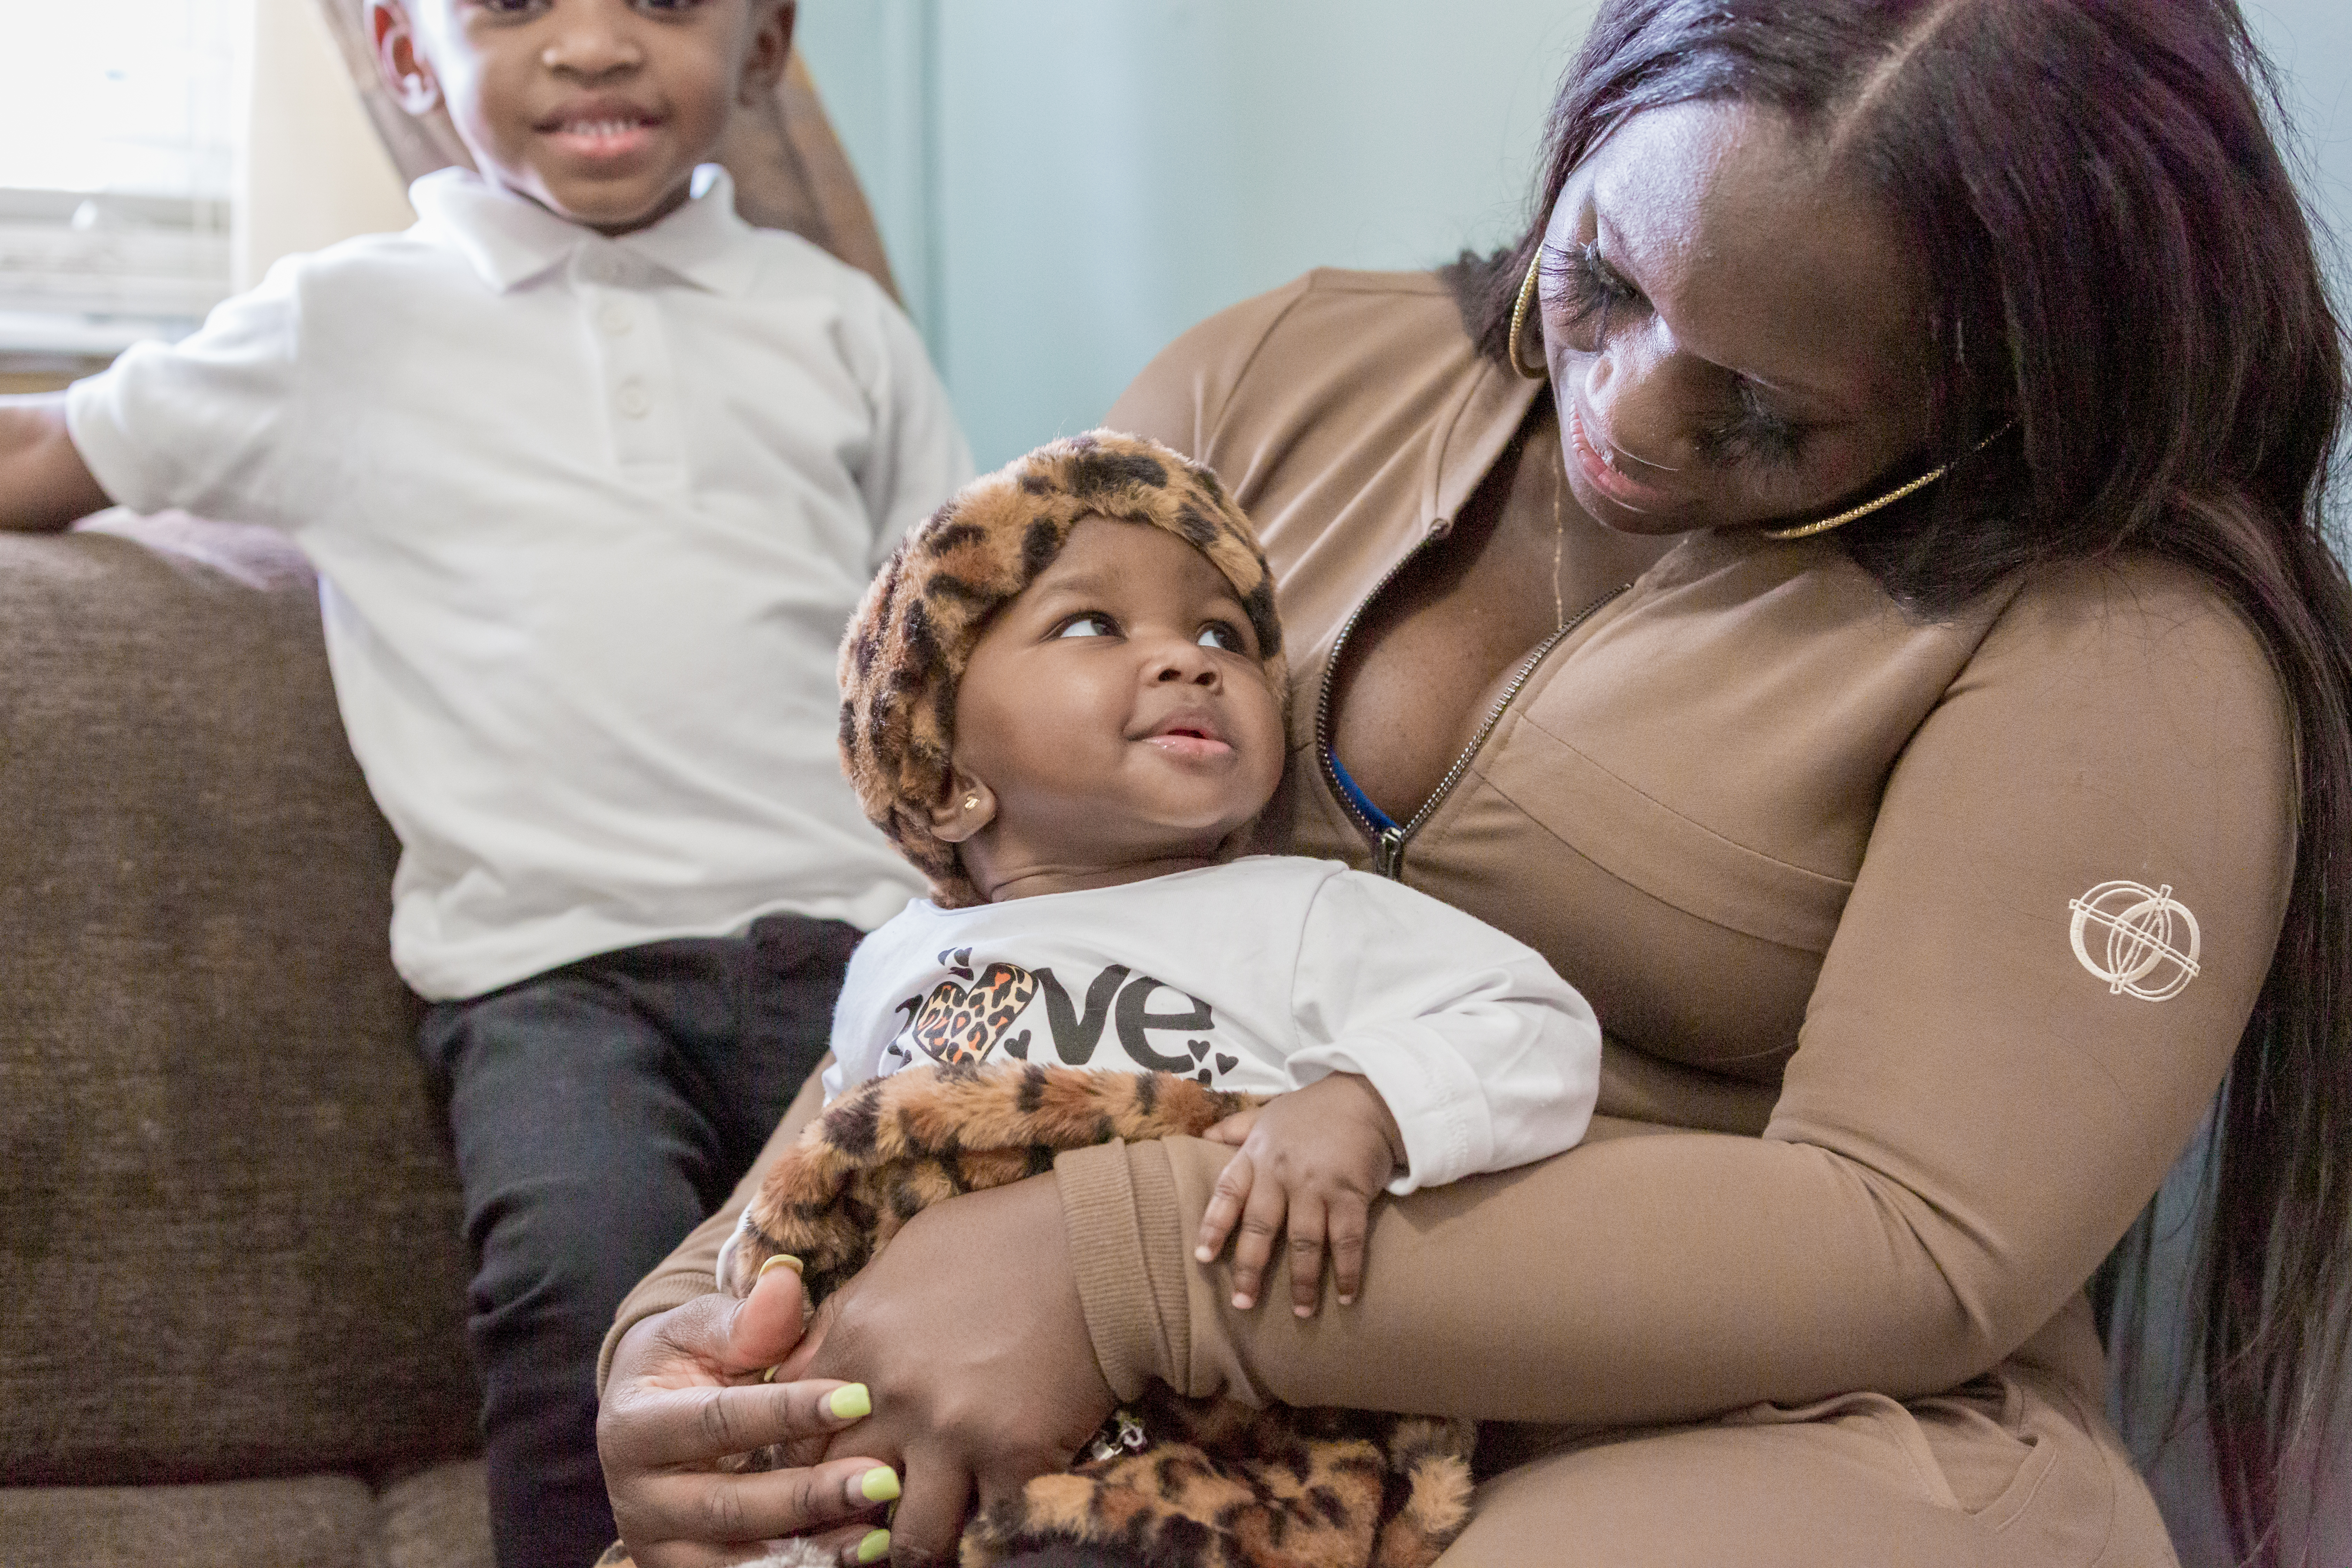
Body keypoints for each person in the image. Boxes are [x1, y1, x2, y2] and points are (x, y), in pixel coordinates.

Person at [593, 2, 2352, 1565]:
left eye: (1759, 414)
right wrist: (699, 1327)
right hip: (1201, 1421)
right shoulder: (1273, 374)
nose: (1633, 419)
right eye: (1602, 275)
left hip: (1795, 1443)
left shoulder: (2118, 644)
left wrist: (1118, 1274)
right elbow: (991, 925)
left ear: (1997, 388)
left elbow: (1912, 1240)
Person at [0, 2, 970, 1563]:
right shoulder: (345, 322)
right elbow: (59, 443)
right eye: (515, 5)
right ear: (401, 51)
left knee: (931, 1304)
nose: (591, 46)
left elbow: (947, 637)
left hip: (864, 952)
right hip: (553, 976)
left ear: (768, 44)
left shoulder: (838, 322)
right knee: (577, 1288)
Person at [715, 430, 1601, 1330]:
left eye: (1223, 633)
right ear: (945, 779)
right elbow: (830, 1160)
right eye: (1091, 625)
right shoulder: (893, 961)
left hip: (1208, 1373)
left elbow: (1540, 1025)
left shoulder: (1296, 911)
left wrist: (1365, 1107)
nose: (1192, 661)